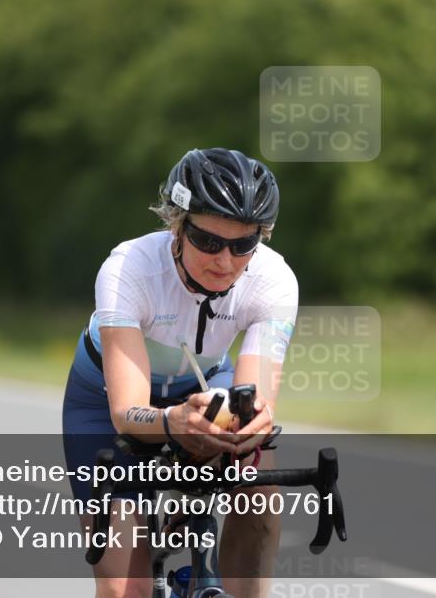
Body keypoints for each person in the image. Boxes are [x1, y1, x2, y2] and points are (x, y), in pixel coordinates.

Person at [62, 147, 298, 598]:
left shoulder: (274, 280)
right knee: (124, 589)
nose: (224, 261)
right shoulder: (129, 269)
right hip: (105, 400)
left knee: (259, 494)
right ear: (177, 225)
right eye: (208, 242)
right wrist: (175, 423)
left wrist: (251, 426)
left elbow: (256, 400)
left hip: (205, 385)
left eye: (243, 245)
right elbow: (128, 412)